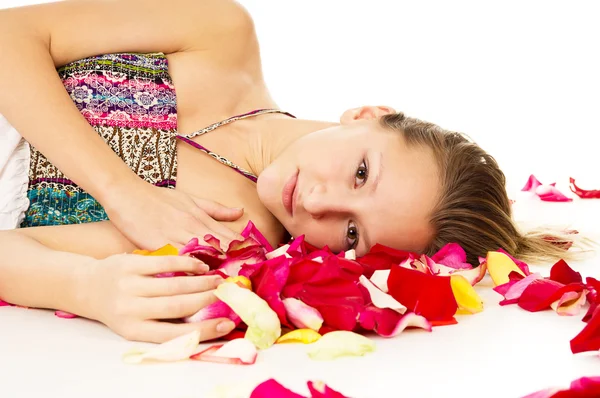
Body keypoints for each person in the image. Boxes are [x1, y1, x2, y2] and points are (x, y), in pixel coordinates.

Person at [0, 0, 573, 343]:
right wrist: (120, 190)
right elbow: (10, 33)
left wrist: (86, 288)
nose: (320, 204)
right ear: (370, 115)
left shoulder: (226, 240)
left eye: (353, 233)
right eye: (360, 174)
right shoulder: (219, 31)